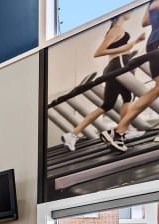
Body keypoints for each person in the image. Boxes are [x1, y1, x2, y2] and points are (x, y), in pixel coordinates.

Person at [62, 13, 145, 151]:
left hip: (114, 66)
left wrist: (135, 42)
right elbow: (99, 52)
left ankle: (73, 134)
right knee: (128, 97)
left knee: (110, 104)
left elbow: (117, 48)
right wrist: (127, 47)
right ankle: (124, 130)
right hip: (118, 65)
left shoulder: (115, 29)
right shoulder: (116, 30)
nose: (130, 13)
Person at [101, 3, 159, 152]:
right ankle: (120, 130)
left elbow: (145, 21)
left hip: (153, 42)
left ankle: (119, 130)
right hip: (157, 43)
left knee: (157, 89)